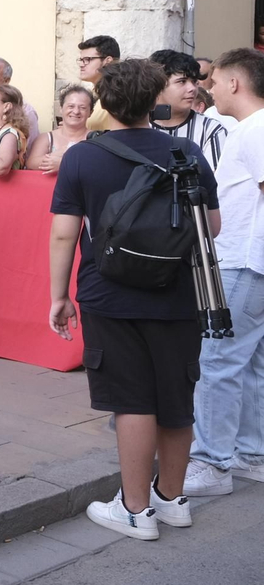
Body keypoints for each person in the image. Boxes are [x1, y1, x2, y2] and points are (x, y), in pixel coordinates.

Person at [47, 58, 218, 541]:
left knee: (132, 400)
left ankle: (136, 509)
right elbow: (213, 227)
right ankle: (172, 499)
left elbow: (64, 235)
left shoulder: (83, 156)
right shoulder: (186, 152)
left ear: (104, 102)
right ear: (154, 100)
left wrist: (59, 296)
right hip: (178, 294)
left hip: (109, 292)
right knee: (176, 397)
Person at [184, 49, 264, 498]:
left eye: (213, 80)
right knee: (249, 363)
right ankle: (250, 455)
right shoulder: (251, 128)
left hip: (244, 261)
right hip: (248, 261)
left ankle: (211, 463)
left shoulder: (257, 129)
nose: (207, 87)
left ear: (234, 83)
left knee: (217, 363)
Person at [150, 49, 227, 168]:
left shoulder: (210, 130)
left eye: (194, 81)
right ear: (158, 84)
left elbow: (215, 182)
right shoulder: (139, 126)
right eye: (182, 81)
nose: (192, 88)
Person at [26, 85, 94, 174]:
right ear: (61, 109)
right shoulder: (46, 138)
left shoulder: (96, 138)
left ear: (90, 112)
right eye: (71, 106)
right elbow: (31, 163)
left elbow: (101, 165)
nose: (76, 111)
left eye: (82, 107)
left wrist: (64, 162)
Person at [77, 35, 120, 131]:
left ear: (107, 61)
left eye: (87, 59)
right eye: (81, 60)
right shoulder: (94, 93)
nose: (81, 65)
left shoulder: (117, 95)